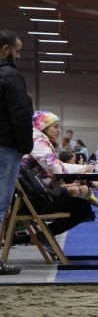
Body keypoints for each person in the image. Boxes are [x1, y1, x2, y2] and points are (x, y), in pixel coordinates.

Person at [17, 111, 94, 249]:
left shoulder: (38, 139)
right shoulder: (36, 139)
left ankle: (37, 237)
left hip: (33, 196)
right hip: (32, 200)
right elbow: (55, 167)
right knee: (83, 208)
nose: (59, 130)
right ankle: (41, 236)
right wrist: (83, 168)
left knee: (80, 203)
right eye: (55, 127)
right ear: (43, 127)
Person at [0, 29, 33, 275]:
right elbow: (21, 116)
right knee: (0, 205)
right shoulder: (11, 76)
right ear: (5, 50)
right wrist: (25, 146)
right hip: (5, 148)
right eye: (17, 51)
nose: (18, 56)